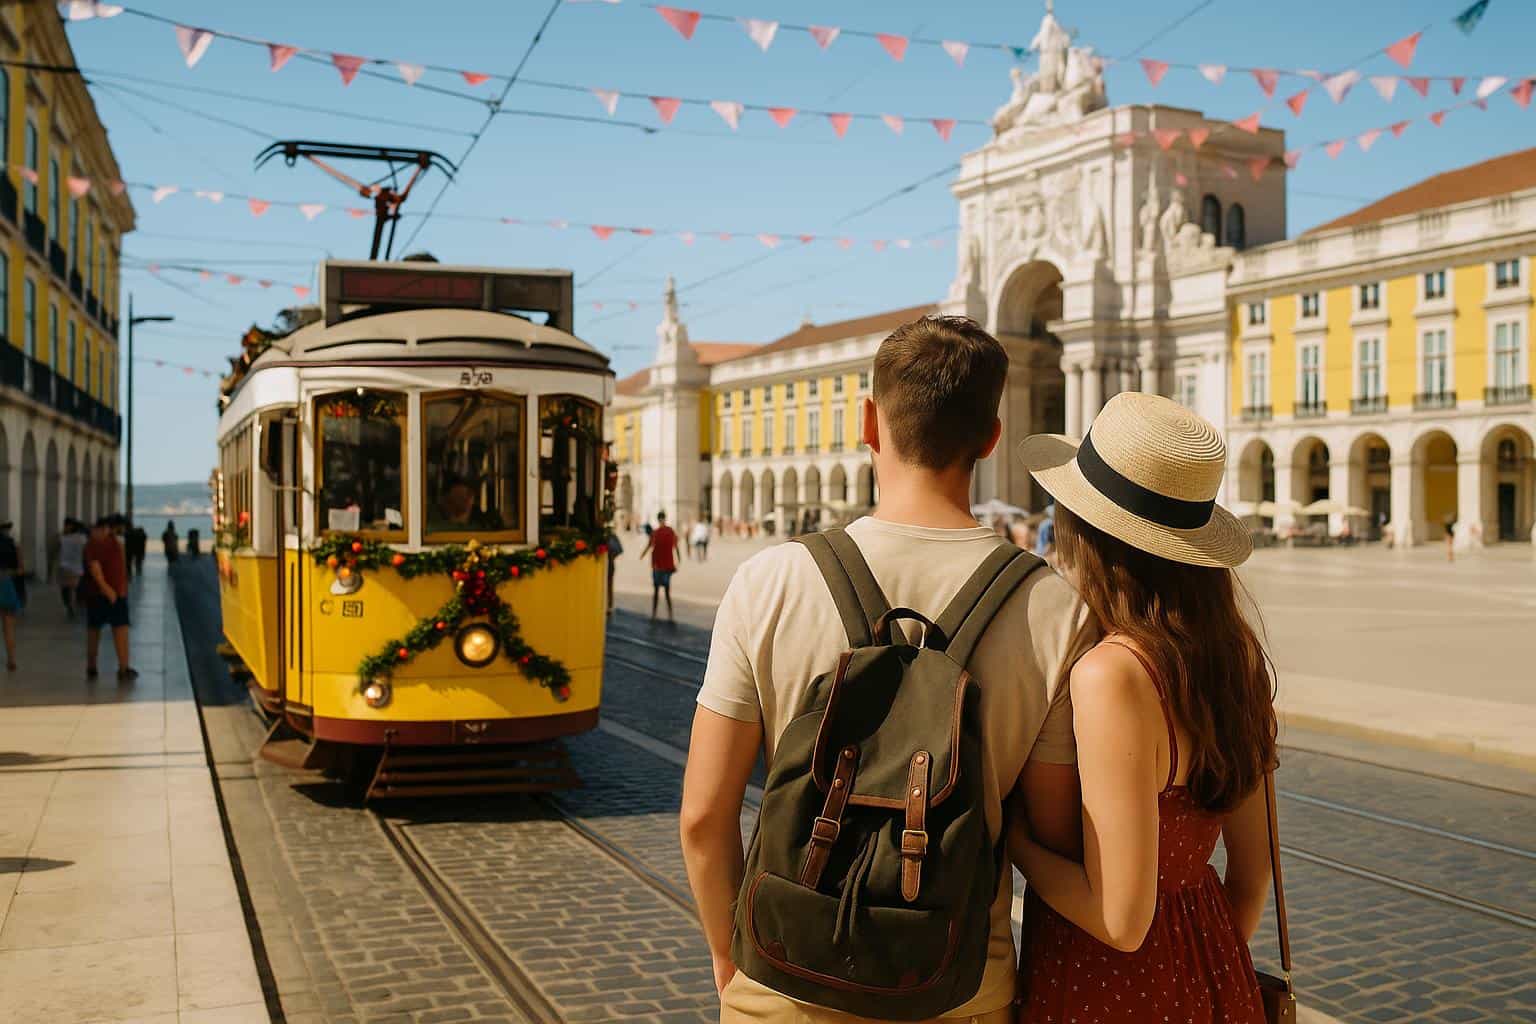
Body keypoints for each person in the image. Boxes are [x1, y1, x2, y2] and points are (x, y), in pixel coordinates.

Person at [679, 316, 1093, 1023]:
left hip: (781, 990)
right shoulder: (1054, 606)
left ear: (867, 422)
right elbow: (1049, 838)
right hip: (959, 989)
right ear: (991, 437)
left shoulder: (769, 580)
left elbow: (703, 818)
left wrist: (731, 957)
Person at [1010, 391, 1276, 1023]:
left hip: (1105, 985)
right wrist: (1200, 964)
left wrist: (1016, 842)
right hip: (1215, 971)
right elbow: (1252, 872)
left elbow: (1120, 921)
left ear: (1086, 533)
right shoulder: (1238, 664)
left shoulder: (1114, 674)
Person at [84, 516, 137, 681]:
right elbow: (95, 569)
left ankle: (97, 666)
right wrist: (108, 590)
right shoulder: (94, 545)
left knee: (97, 629)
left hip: (111, 593)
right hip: (107, 594)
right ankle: (121, 667)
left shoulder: (114, 543)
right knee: (118, 629)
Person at [638, 511, 683, 622]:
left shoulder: (655, 532)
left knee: (657, 591)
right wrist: (679, 558)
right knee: (667, 592)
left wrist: (642, 555)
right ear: (664, 519)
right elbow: (676, 546)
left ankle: (654, 614)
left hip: (658, 566)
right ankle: (670, 615)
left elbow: (649, 546)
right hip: (666, 566)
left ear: (658, 519)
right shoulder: (670, 531)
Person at [0, 521, 21, 671]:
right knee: (8, 628)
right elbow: (20, 570)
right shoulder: (11, 544)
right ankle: (11, 660)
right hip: (6, 585)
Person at [58, 518, 87, 619]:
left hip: (64, 567)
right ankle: (73, 605)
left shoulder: (62, 538)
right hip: (77, 568)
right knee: (73, 588)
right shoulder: (82, 538)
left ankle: (69, 605)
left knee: (65, 588)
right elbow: (85, 552)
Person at [604, 526, 624, 615]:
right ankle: (609, 606)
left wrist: (611, 557)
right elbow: (620, 550)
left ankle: (609, 606)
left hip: (609, 565)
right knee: (609, 585)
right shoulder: (612, 535)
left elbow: (619, 550)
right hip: (610, 564)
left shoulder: (608, 536)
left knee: (608, 585)